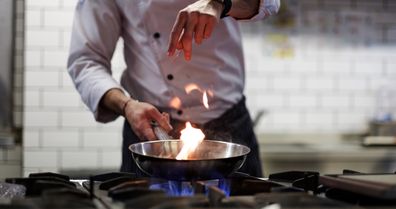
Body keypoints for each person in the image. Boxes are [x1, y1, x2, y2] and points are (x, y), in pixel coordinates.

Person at [67, 0, 280, 177]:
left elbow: (268, 3)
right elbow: (86, 61)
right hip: (151, 130)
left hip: (230, 124)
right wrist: (127, 106)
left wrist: (219, 3)